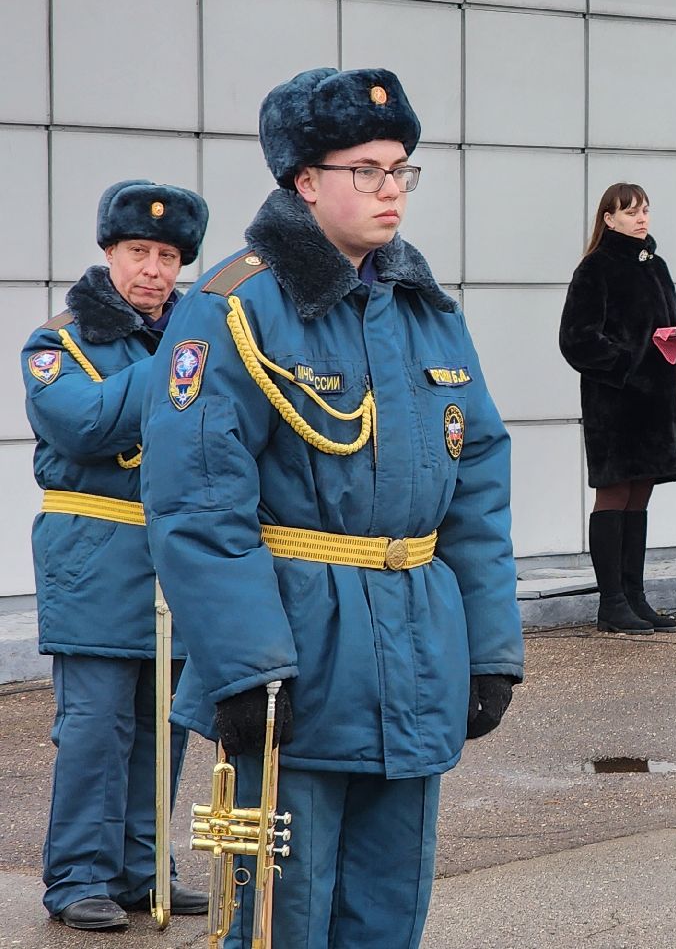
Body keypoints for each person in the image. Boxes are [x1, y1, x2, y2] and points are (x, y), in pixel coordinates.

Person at [142, 67, 523, 948]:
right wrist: (244, 666)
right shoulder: (235, 306)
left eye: (402, 169)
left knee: (390, 914)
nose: (393, 189)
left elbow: (478, 484)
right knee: (281, 918)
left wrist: (489, 645)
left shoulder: (425, 309)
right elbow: (199, 501)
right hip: (296, 665)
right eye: (368, 170)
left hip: (417, 650)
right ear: (304, 180)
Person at [26, 180, 209, 931]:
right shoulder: (59, 342)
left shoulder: (190, 334)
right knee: (96, 725)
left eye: (168, 256)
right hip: (94, 550)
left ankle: (142, 869)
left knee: (162, 724)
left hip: (172, 553)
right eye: (139, 251)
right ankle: (76, 878)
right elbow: (86, 425)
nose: (154, 270)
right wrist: (177, 359)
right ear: (109, 253)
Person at [561, 182, 676, 635]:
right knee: (614, 493)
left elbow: (662, 324)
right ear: (608, 219)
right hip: (617, 403)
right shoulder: (596, 268)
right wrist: (627, 365)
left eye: (644, 209)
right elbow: (577, 339)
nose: (640, 218)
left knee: (641, 495)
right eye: (629, 212)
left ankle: (635, 596)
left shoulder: (655, 265)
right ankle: (611, 602)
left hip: (656, 403)